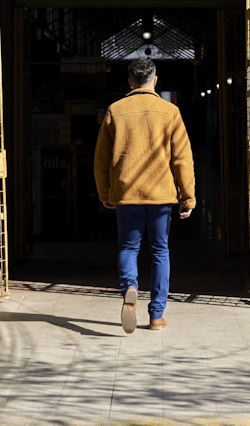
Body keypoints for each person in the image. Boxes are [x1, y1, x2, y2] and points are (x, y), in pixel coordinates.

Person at [94, 57, 195, 333]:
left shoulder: (115, 110)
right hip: (161, 196)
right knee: (160, 251)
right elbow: (182, 159)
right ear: (155, 80)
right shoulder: (170, 112)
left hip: (127, 194)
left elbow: (101, 159)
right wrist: (188, 197)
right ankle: (156, 316)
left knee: (128, 248)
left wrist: (106, 192)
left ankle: (129, 287)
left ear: (130, 81)